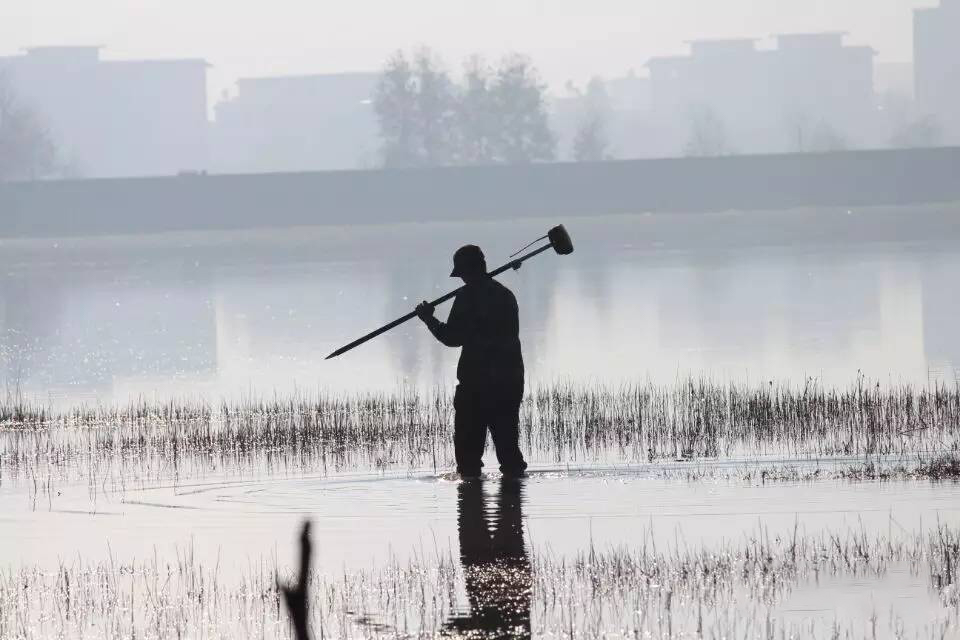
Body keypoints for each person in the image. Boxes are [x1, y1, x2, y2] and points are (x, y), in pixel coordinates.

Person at [415, 244, 528, 479]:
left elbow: (452, 338)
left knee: (468, 463)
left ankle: (474, 509)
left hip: (476, 386)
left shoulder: (467, 297)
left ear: (467, 272)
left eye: (463, 274)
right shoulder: (505, 295)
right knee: (510, 455)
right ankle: (513, 500)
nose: (462, 279)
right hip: (509, 383)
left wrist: (429, 319)